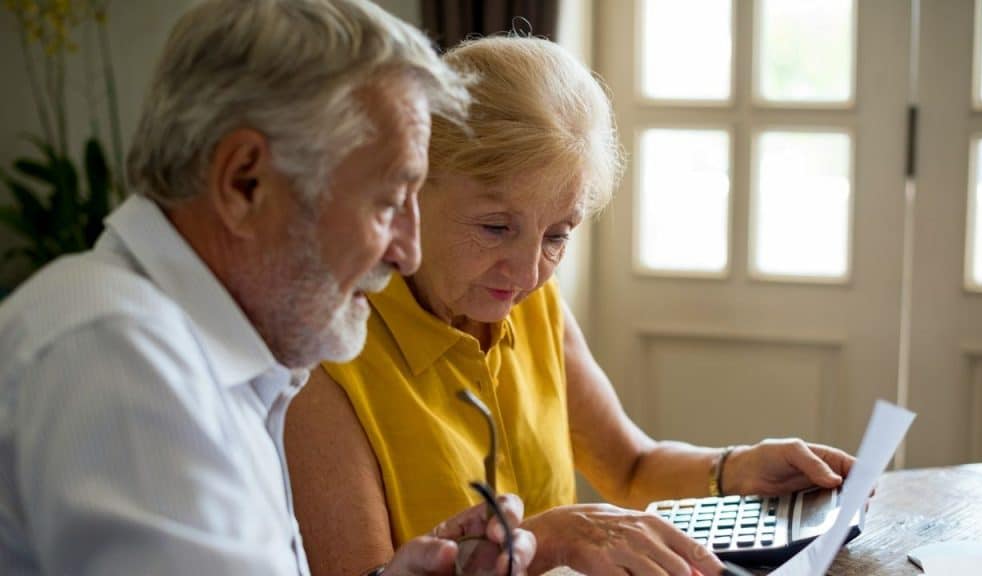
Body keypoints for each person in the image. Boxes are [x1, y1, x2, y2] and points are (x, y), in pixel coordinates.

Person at [285, 35, 856, 576]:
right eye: (495, 226)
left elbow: (631, 467)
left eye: (557, 235)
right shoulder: (329, 354)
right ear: (412, 189)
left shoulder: (530, 303)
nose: (529, 271)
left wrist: (736, 467)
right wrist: (548, 539)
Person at [0, 1, 536, 575]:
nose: (408, 253)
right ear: (244, 183)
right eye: (386, 203)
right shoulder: (121, 358)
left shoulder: (204, 356)